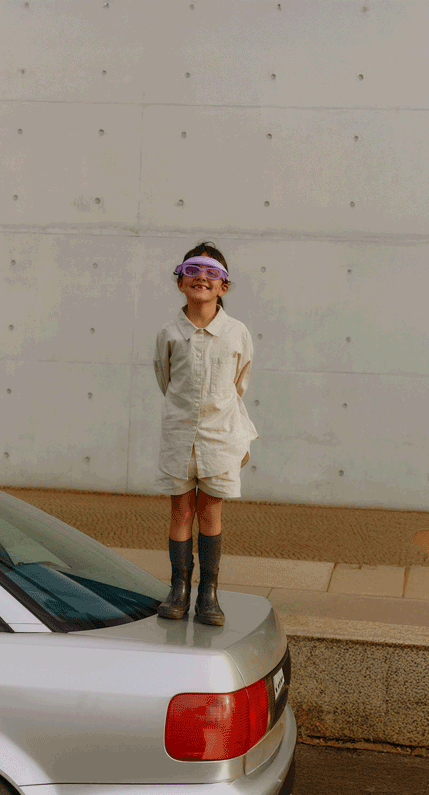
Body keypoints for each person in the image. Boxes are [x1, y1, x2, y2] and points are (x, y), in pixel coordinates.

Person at [153, 242, 258, 626]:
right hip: (179, 435)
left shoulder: (237, 333)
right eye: (194, 271)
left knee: (209, 510)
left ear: (223, 288)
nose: (202, 278)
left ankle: (208, 594)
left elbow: (239, 382)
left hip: (219, 436)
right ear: (181, 281)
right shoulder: (169, 333)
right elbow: (166, 379)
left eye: (213, 273)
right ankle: (178, 588)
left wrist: (223, 422)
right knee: (181, 509)